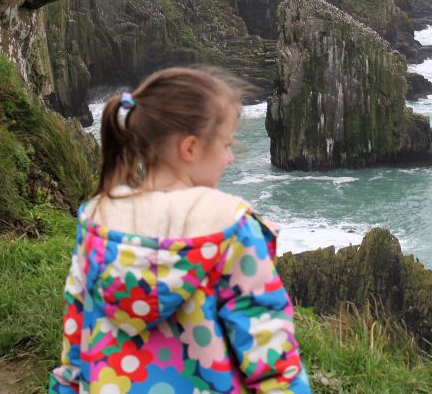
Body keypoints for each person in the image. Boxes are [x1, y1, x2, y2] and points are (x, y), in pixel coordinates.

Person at [50, 66, 311, 394]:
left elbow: (75, 334)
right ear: (189, 148)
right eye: (226, 144)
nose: (230, 158)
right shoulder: (233, 228)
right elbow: (270, 354)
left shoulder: (97, 220)